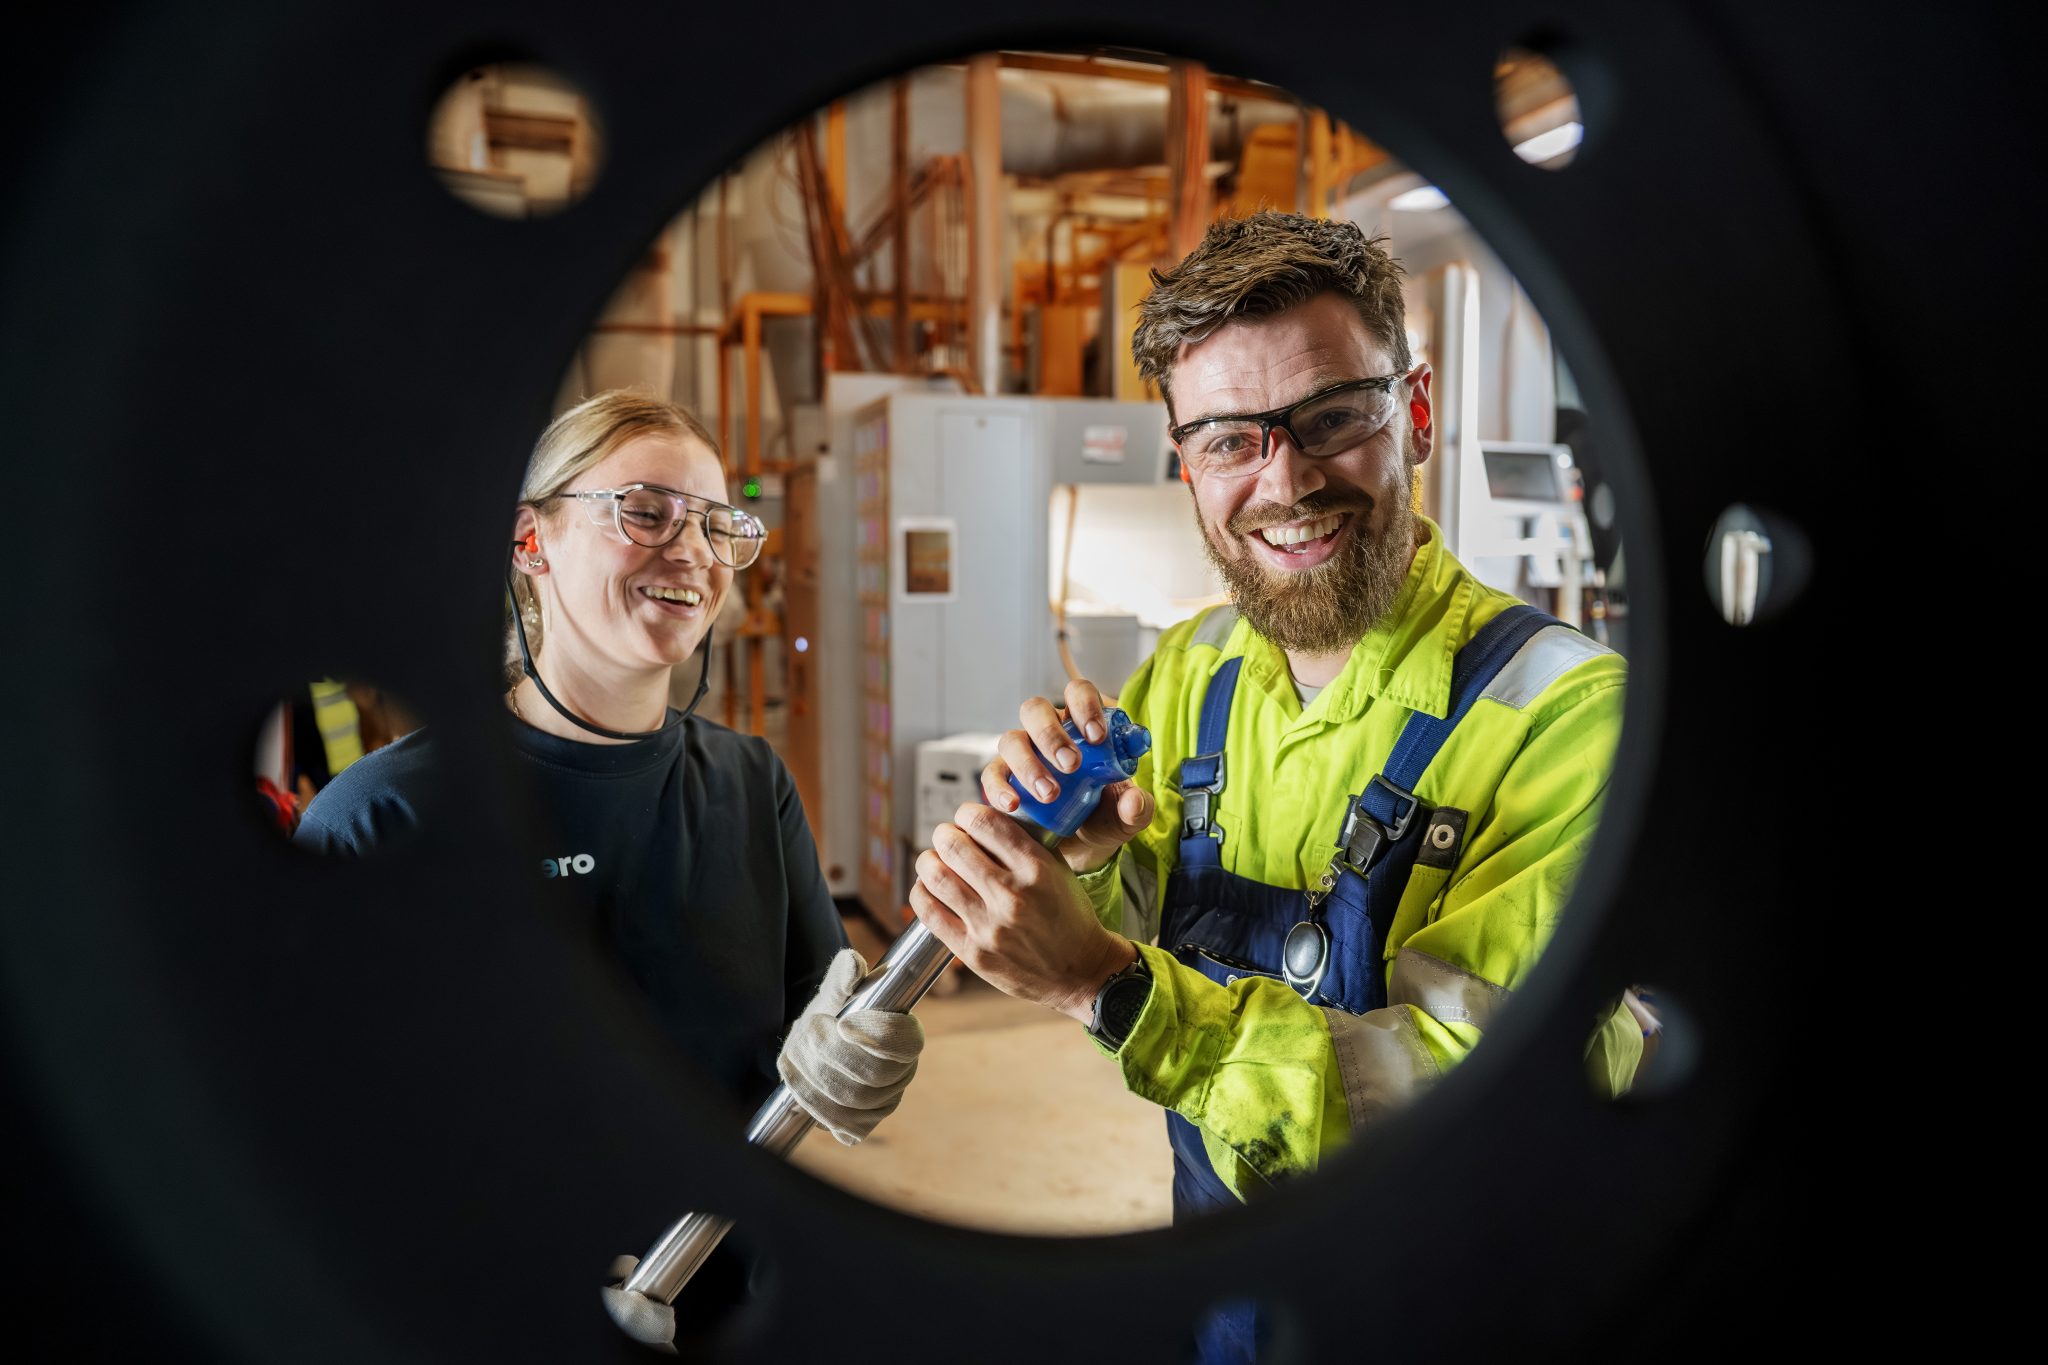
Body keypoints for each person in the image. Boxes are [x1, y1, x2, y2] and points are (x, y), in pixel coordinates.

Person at [909, 211, 1633, 1362]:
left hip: (1454, 1300)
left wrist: (1103, 987)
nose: (1283, 482)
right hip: (1223, 1271)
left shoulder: (1567, 717)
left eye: (1332, 418)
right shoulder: (1188, 672)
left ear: (1416, 414)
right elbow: (1137, 908)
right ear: (1183, 461)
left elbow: (1474, 1112)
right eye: (1226, 442)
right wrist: (1074, 870)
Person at [294, 390, 921, 1345]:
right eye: (647, 511)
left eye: (715, 524)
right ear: (529, 540)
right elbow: (304, 1146)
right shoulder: (383, 817)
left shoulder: (752, 784)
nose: (693, 552)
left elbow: (817, 1034)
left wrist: (856, 1065)